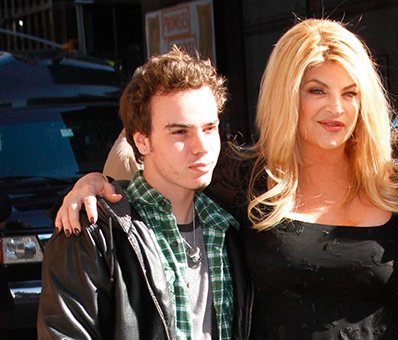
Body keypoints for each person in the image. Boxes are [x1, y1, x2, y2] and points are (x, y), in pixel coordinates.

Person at [53, 19, 398, 339]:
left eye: (350, 91)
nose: (336, 109)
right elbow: (151, 149)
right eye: (317, 90)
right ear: (289, 93)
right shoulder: (244, 176)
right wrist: (95, 183)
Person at [38, 47, 248, 339]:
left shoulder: (231, 226)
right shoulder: (94, 234)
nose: (201, 146)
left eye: (209, 128)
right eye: (180, 132)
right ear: (142, 140)